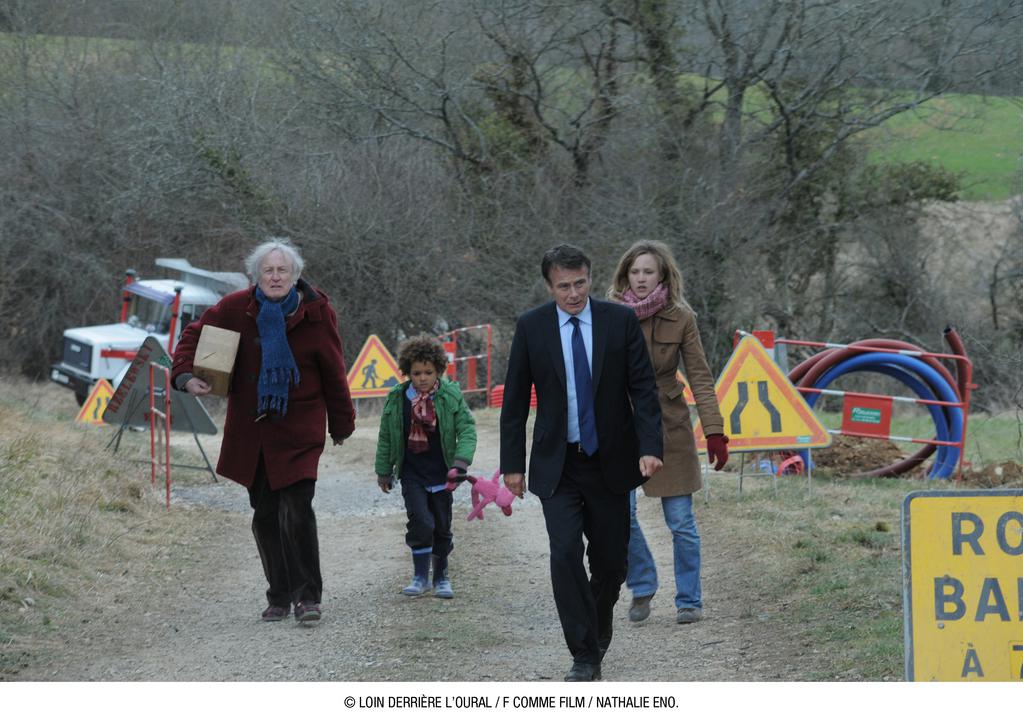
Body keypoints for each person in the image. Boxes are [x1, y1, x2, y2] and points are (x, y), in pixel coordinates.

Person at [500, 244, 664, 682]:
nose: (573, 294)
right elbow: (514, 402)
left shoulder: (619, 321)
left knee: (612, 563)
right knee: (565, 552)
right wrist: (512, 465)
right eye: (563, 286)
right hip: (559, 465)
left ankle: (598, 623)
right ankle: (584, 654)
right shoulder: (532, 327)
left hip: (611, 462)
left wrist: (651, 446)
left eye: (580, 283)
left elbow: (643, 389)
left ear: (590, 279)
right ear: (549, 286)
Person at [171, 237, 355, 624]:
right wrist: (185, 374)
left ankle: (308, 597)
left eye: (282, 270)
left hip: (299, 427)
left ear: (295, 275)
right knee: (266, 513)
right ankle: (279, 594)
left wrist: (341, 423)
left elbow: (334, 371)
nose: (275, 276)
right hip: (253, 430)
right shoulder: (236, 308)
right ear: (256, 276)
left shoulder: (317, 313)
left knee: (297, 509)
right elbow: (193, 334)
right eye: (268, 270)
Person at [607, 240, 729, 625]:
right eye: (635, 272)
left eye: (649, 271)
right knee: (618, 516)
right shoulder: (608, 315)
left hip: (669, 426)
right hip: (620, 424)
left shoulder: (681, 318)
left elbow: (701, 379)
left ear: (662, 276)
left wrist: (714, 430)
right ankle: (643, 582)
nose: (641, 279)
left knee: (680, 521)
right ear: (625, 275)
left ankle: (689, 600)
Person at [374, 335, 477, 599]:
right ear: (407, 372)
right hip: (412, 474)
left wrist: (460, 463)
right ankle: (420, 576)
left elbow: (467, 429)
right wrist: (384, 470)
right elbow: (386, 435)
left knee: (441, 525)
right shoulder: (398, 399)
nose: (422, 378)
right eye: (416, 372)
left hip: (443, 473)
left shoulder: (450, 396)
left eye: (428, 372)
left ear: (439, 371)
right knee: (420, 522)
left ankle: (441, 576)